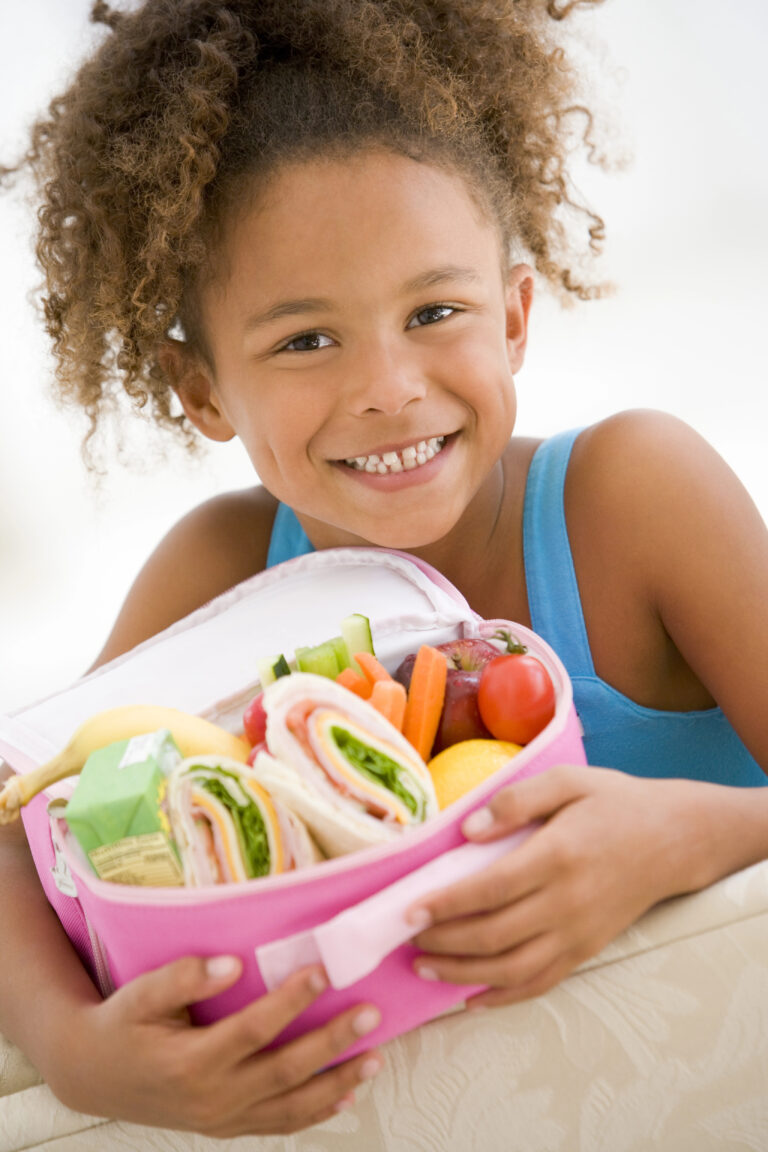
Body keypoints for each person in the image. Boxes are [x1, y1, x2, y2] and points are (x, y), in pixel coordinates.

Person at [1, 0, 767, 1138]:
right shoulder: (219, 570)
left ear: (513, 317)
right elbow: (21, 818)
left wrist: (677, 837)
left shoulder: (633, 496)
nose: (389, 387)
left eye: (434, 310)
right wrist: (69, 1047)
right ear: (202, 390)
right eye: (306, 340)